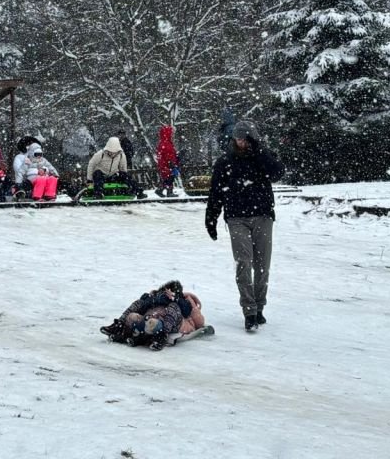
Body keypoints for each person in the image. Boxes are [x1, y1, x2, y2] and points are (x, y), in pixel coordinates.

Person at [205, 120, 284, 332]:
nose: (240, 142)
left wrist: (260, 153)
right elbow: (216, 192)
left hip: (263, 215)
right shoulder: (226, 161)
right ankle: (249, 310)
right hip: (236, 217)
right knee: (243, 262)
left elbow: (277, 173)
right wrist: (211, 219)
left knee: (262, 265)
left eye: (244, 138)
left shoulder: (262, 157)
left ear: (252, 138)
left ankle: (260, 307)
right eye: (237, 138)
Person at [99, 280, 207, 351]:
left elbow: (196, 318)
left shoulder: (184, 300)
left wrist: (176, 299)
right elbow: (142, 306)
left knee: (173, 307)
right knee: (138, 305)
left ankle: (162, 336)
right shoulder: (156, 296)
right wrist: (154, 298)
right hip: (150, 318)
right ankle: (120, 326)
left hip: (171, 323)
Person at [155, 125, 180, 197]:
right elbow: (168, 155)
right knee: (170, 178)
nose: (173, 135)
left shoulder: (164, 143)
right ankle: (169, 192)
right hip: (167, 164)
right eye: (172, 133)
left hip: (164, 164)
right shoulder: (167, 144)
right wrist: (172, 164)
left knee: (167, 178)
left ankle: (160, 190)